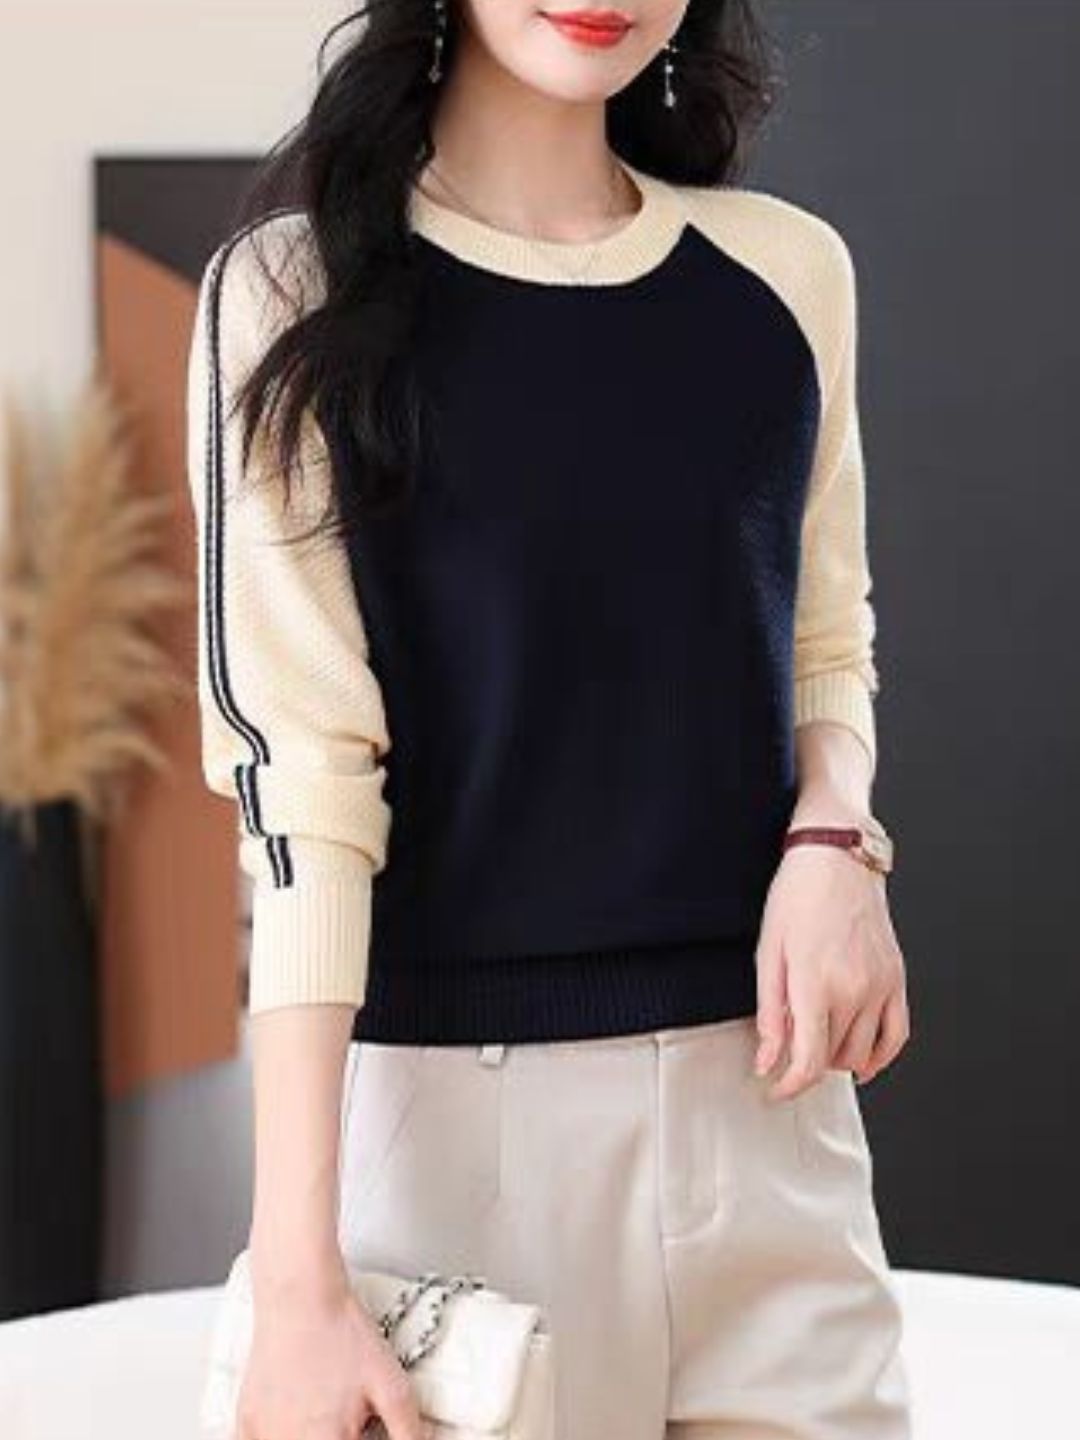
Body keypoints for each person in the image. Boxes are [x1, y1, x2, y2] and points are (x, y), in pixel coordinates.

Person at [185, 2, 914, 1437]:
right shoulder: (292, 289)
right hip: (454, 1145)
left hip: (773, 1112)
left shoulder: (786, 273)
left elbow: (824, 632)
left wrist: (837, 838)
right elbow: (302, 793)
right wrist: (295, 1281)